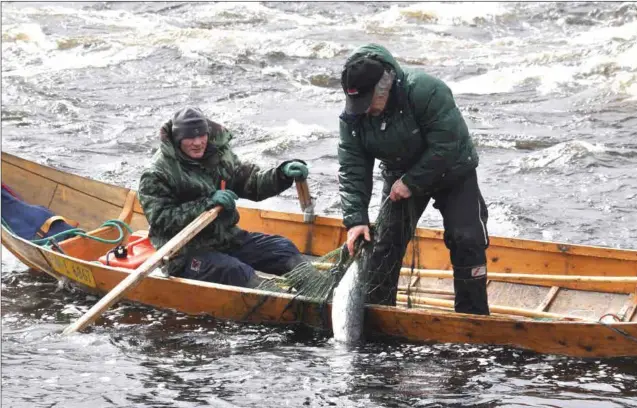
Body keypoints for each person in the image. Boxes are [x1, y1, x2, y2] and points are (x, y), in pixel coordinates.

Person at [337, 44, 490, 315]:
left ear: (384, 86)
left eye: (368, 103)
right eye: (357, 104)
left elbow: (447, 144)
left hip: (452, 169)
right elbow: (353, 166)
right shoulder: (354, 117)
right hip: (399, 172)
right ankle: (380, 312)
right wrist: (356, 219)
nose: (364, 110)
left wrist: (412, 182)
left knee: (466, 238)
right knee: (384, 243)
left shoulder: (426, 90)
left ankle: (473, 316)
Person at [138, 106, 310, 288]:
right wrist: (207, 204)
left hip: (226, 238)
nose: (198, 142)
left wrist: (281, 175)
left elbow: (251, 183)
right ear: (178, 139)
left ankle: (318, 289)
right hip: (184, 252)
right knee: (237, 273)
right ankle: (279, 303)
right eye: (190, 138)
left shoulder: (218, 155)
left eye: (201, 135)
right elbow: (161, 219)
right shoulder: (157, 173)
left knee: (283, 249)